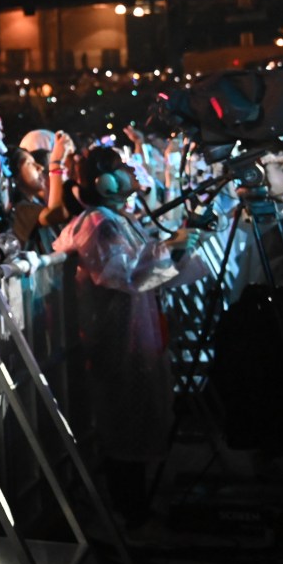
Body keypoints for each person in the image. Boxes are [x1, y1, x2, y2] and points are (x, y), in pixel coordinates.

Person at [53, 145, 206, 529]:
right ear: (104, 182)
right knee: (124, 428)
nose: (130, 172)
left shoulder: (116, 218)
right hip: (116, 340)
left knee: (135, 424)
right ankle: (129, 514)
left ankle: (135, 508)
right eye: (121, 168)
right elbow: (122, 273)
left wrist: (181, 247)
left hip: (134, 335)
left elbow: (152, 270)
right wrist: (172, 246)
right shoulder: (97, 224)